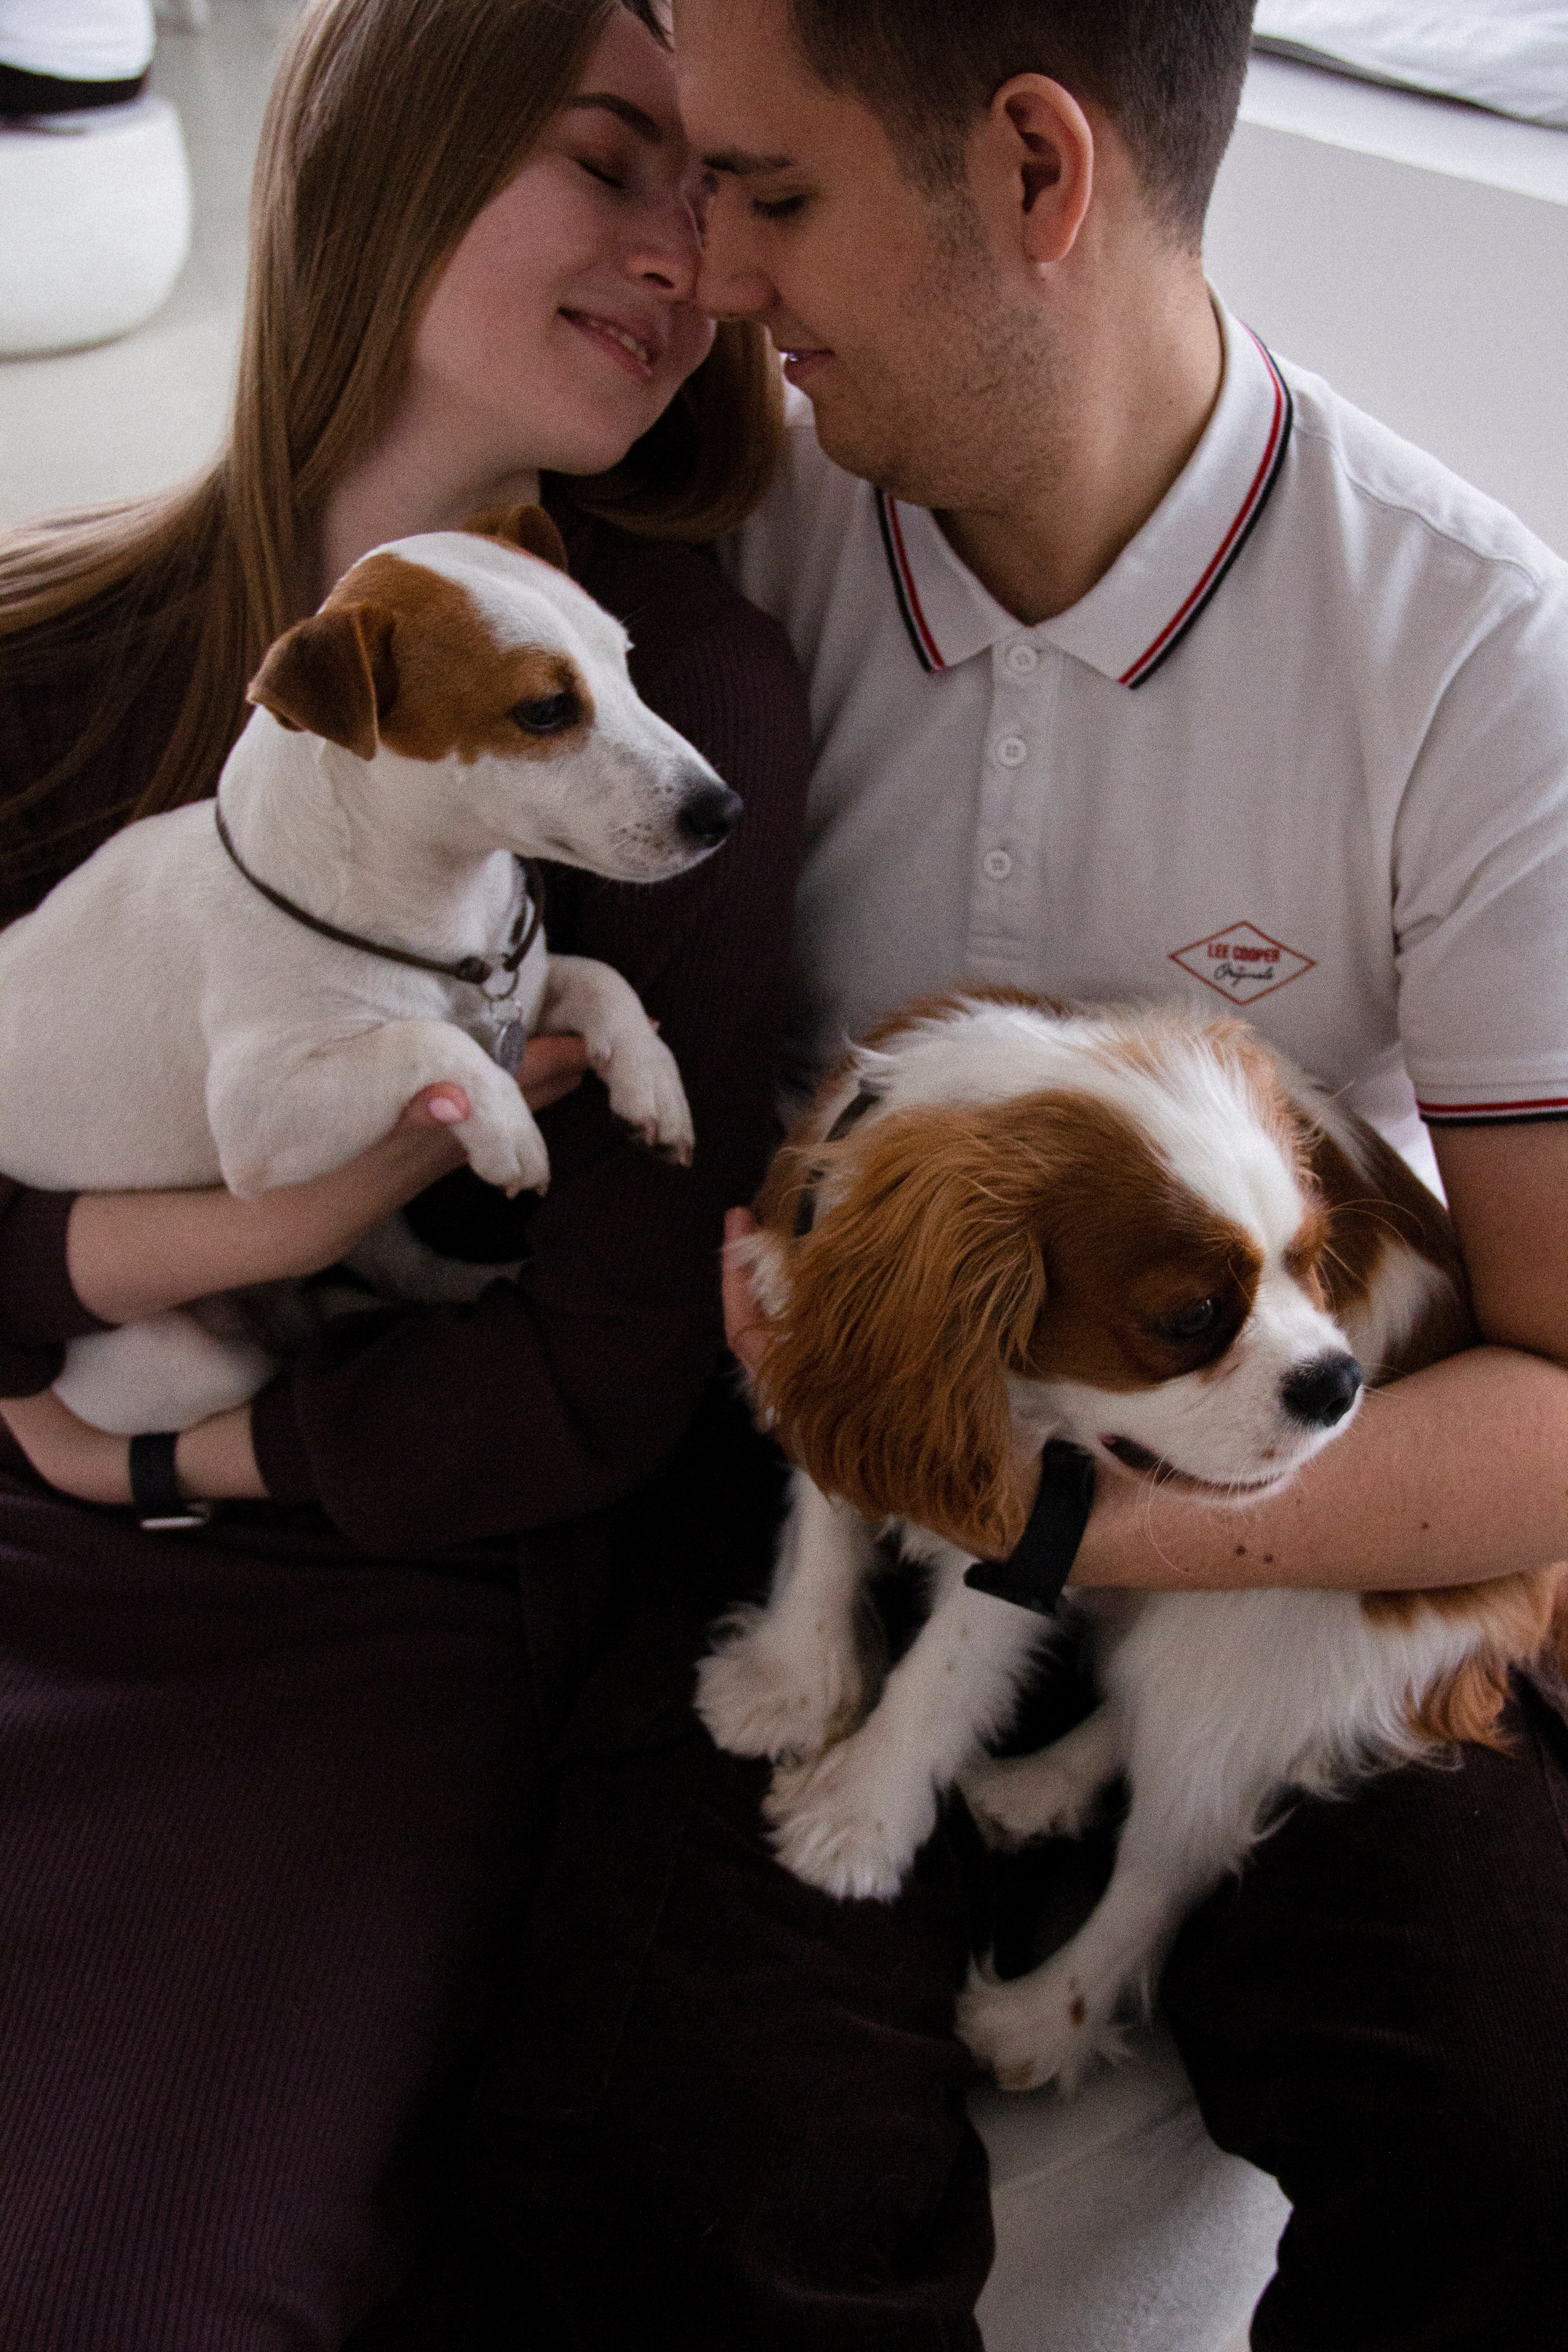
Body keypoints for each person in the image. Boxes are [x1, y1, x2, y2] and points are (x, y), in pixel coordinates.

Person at [451, 2, 1568, 2346]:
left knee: (1514, 2137)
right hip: (789, 1468)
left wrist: (1069, 1519)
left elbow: (1561, 1396)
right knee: (710, 2185)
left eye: (770, 195)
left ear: (1036, 176)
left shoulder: (1484, 669)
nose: (717, 278)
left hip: (1282, 1509)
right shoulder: (726, 538)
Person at [0, 1, 809, 2344]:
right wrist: (148, 1271)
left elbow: (595, 1388)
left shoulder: (679, 739)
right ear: (388, 163)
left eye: (734, 196)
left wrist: (161, 1464)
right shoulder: (51, 653)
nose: (686, 257)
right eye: (611, 160)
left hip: (346, 1593)